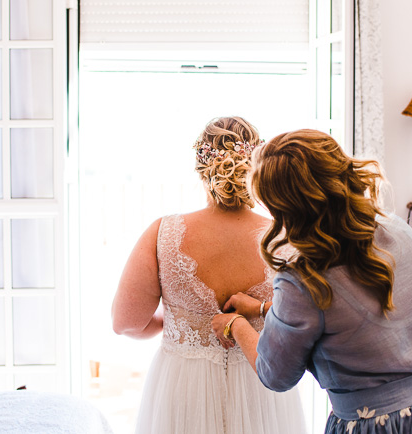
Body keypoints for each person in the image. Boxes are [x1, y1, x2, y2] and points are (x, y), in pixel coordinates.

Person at [211, 129, 412, 434]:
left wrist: (236, 325)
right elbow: (362, 320)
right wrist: (266, 308)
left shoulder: (302, 275)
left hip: (383, 425)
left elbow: (276, 374)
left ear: (284, 208)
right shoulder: (398, 229)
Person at [111, 117, 305, 434]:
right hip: (262, 384)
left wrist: (176, 322)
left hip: (183, 387)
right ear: (256, 167)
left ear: (203, 169)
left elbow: (126, 322)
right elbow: (301, 319)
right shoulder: (282, 238)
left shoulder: (163, 234)